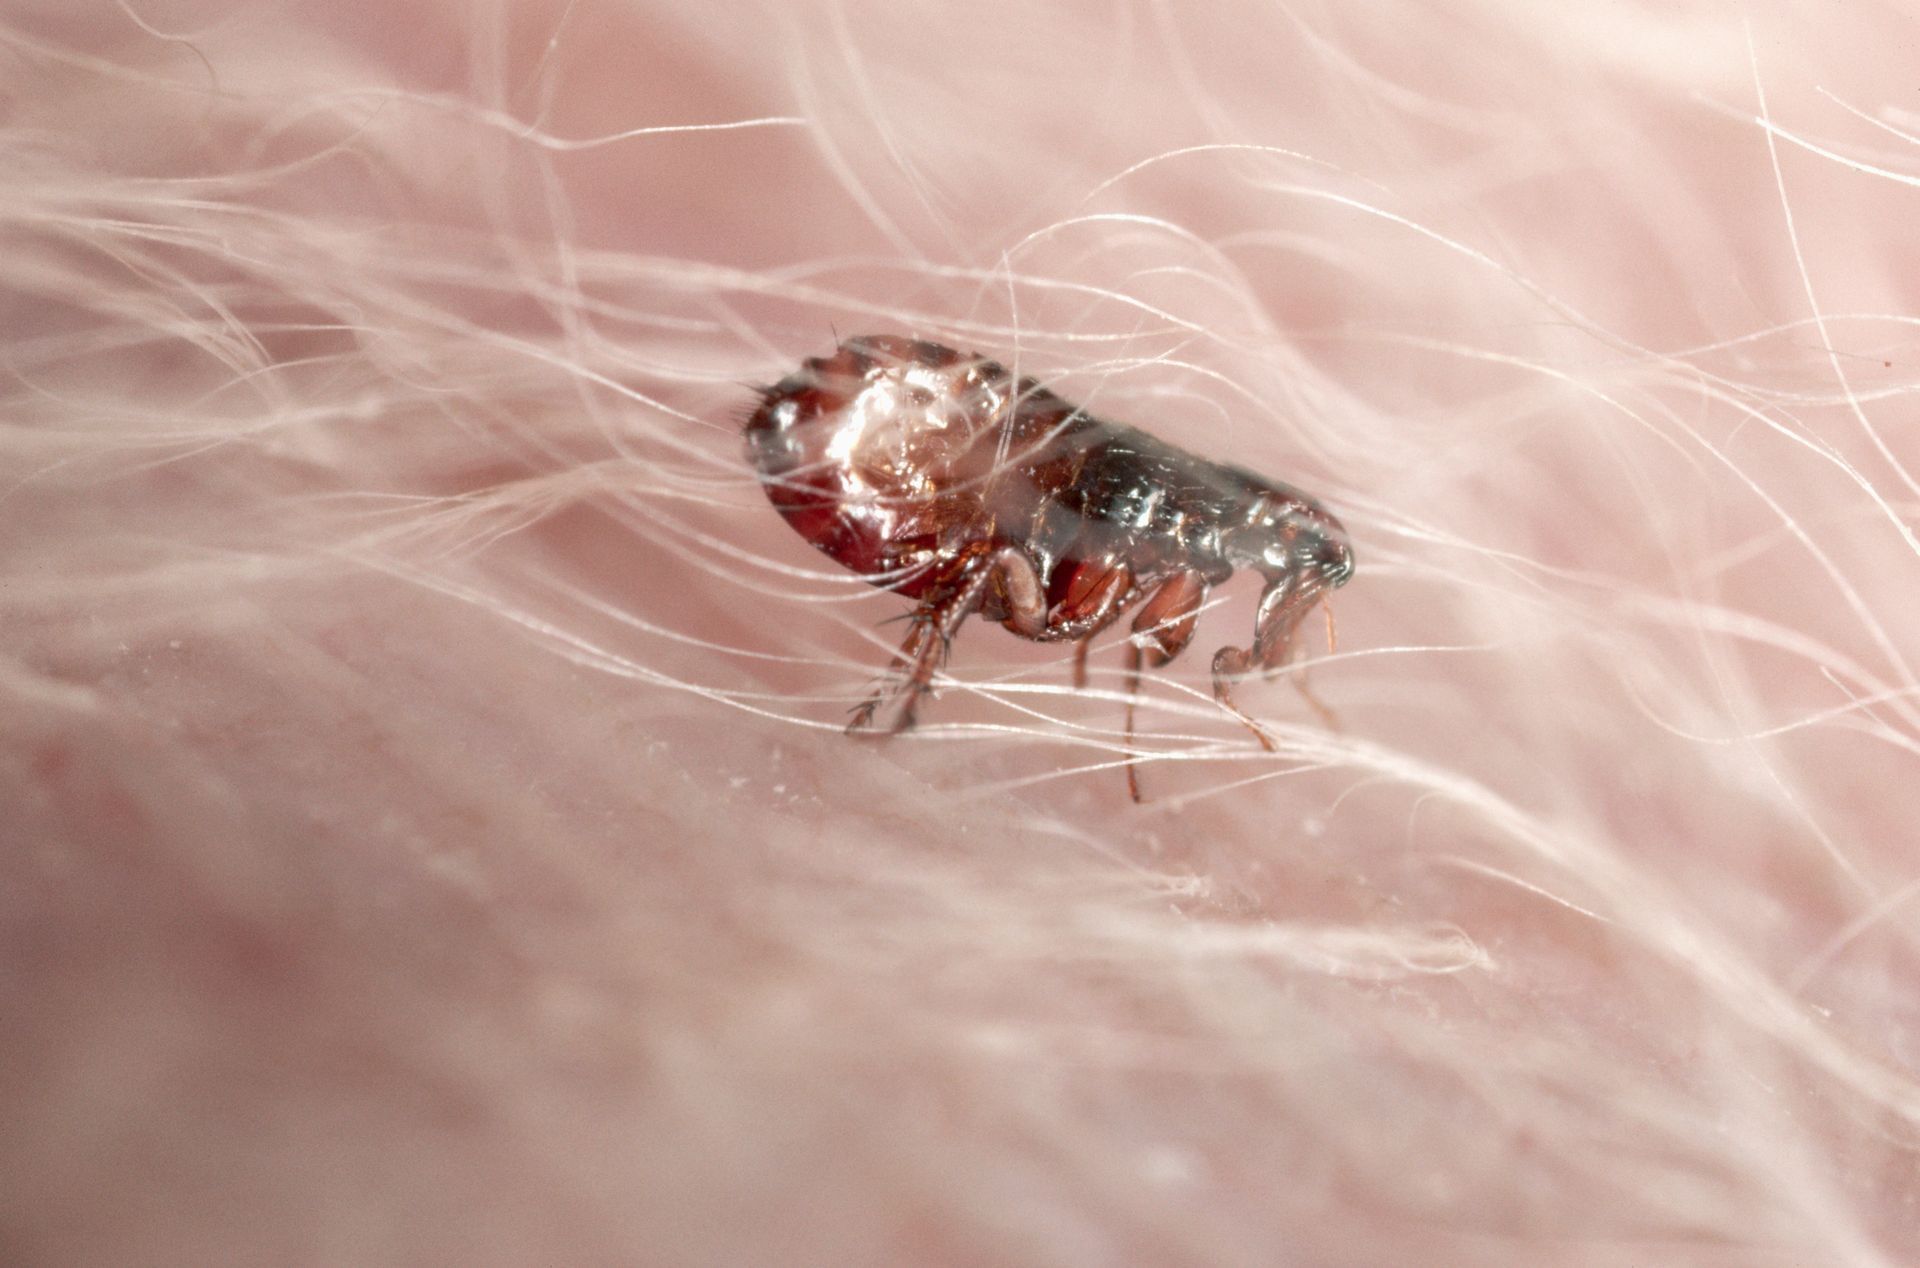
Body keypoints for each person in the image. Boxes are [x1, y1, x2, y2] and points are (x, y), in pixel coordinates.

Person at [4, 1, 1915, 1261]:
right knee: (1028, 565)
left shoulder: (1210, 538)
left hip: (944, 461)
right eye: (1265, 597)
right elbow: (1061, 563)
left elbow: (1132, 589)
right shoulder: (1139, 524)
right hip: (910, 457)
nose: (1258, 605)